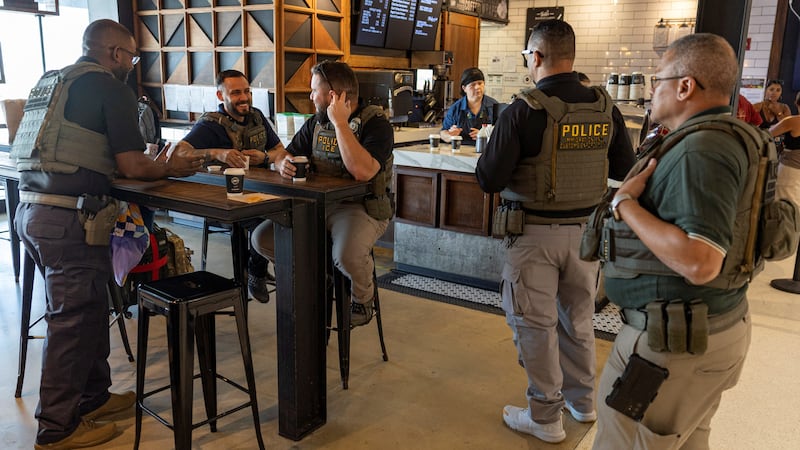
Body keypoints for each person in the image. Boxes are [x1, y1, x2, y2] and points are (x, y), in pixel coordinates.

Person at [11, 19, 204, 450]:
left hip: (32, 212)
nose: (132, 65)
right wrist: (172, 167)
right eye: (132, 56)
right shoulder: (111, 88)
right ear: (115, 53)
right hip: (69, 220)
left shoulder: (52, 82)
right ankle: (56, 429)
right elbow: (134, 165)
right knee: (72, 321)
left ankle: (93, 399)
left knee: (89, 308)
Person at [475, 19, 635, 444]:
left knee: (534, 325)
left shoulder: (523, 109)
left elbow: (489, 178)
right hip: (586, 237)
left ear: (538, 56)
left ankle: (544, 415)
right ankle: (583, 402)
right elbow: (624, 169)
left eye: (528, 56)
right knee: (579, 319)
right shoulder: (605, 107)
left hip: (534, 237)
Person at [592, 33, 755, 449]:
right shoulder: (727, 135)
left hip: (671, 348)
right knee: (684, 438)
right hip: (704, 331)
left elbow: (701, 261)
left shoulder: (702, 150)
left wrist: (625, 204)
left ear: (685, 86)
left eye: (656, 79)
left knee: (622, 439)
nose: (649, 89)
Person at [251, 61, 394, 326]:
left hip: (360, 206)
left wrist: (340, 123)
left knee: (347, 254)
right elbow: (286, 151)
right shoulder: (316, 123)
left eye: (314, 90)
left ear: (333, 97)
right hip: (317, 204)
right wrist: (281, 161)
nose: (310, 96)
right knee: (262, 238)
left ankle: (363, 299)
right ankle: (319, 275)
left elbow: (362, 171)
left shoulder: (376, 124)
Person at [172, 69, 285, 302]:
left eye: (246, 91)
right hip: (226, 201)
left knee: (287, 215)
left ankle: (270, 267)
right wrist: (217, 153)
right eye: (235, 93)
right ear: (220, 96)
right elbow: (179, 153)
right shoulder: (210, 125)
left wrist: (264, 158)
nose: (243, 98)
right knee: (266, 219)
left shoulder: (257, 117)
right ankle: (256, 269)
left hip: (261, 193)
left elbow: (280, 151)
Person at [441, 67, 498, 144]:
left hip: (486, 151)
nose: (477, 87)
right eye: (473, 85)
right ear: (464, 88)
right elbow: (443, 133)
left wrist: (485, 134)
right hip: (460, 151)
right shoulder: (455, 108)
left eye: (480, 83)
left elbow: (503, 133)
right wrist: (450, 136)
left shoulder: (494, 106)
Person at [770, 91, 800, 211]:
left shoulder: (793, 121)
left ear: (797, 103)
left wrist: (778, 113)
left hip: (790, 172)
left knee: (783, 211)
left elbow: (766, 133)